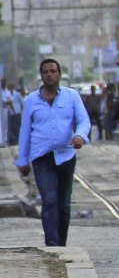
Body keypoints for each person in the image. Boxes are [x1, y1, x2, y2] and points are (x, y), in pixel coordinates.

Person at [15, 58, 91, 246]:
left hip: (66, 156)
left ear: (59, 74)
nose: (49, 74)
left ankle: (61, 243)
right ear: (41, 76)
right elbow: (25, 131)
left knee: (64, 204)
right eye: (45, 72)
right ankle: (51, 243)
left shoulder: (71, 96)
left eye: (53, 71)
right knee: (49, 200)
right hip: (42, 158)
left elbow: (83, 121)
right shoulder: (31, 100)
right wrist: (23, 160)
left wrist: (80, 136)